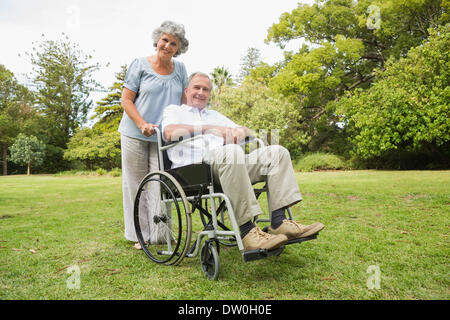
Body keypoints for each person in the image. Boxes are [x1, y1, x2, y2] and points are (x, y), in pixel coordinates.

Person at [161, 72, 325, 252]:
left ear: (209, 94)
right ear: (187, 90)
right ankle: (248, 232)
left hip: (229, 163)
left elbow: (246, 130)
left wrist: (239, 132)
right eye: (196, 87)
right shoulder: (174, 110)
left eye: (205, 89)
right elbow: (169, 133)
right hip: (195, 169)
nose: (201, 92)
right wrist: (208, 129)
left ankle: (279, 221)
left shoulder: (214, 114)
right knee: (231, 151)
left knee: (277, 153)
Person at [119, 21, 189, 249]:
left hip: (163, 138)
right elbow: (126, 100)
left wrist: (181, 126)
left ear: (178, 48)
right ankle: (142, 235)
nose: (167, 46)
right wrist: (141, 124)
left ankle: (162, 233)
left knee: (163, 185)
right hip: (135, 133)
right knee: (137, 185)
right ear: (157, 40)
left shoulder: (180, 70)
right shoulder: (140, 65)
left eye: (173, 43)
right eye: (165, 40)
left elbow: (183, 102)